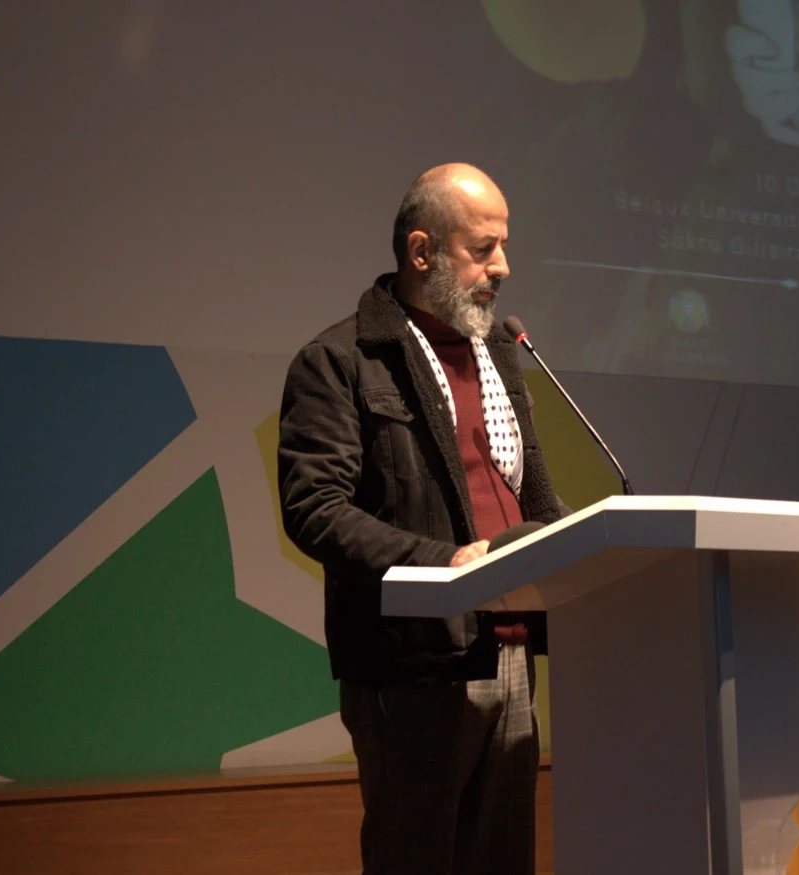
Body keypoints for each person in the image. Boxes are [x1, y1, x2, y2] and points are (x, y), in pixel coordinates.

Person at [277, 163, 568, 874]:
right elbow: (315, 509)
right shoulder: (341, 359)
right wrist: (445, 564)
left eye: (504, 246)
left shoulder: (500, 355)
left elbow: (534, 497)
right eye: (483, 248)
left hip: (509, 654)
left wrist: (581, 558)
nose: (503, 267)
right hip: (412, 666)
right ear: (421, 251)